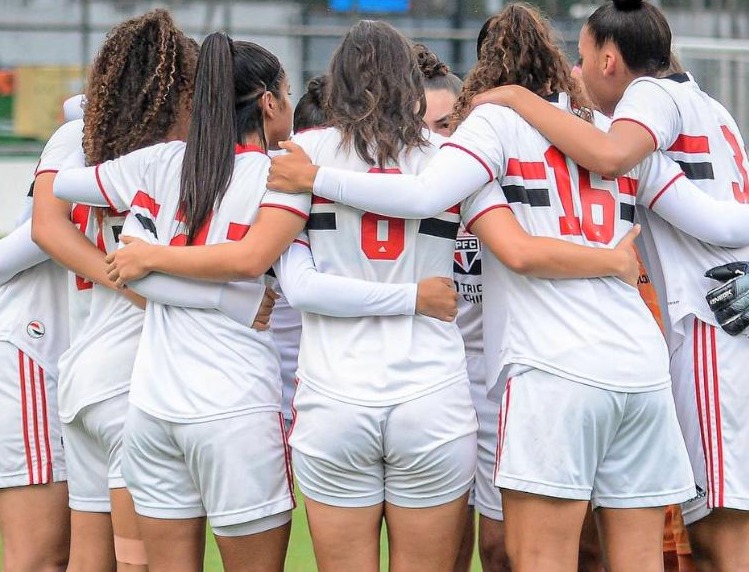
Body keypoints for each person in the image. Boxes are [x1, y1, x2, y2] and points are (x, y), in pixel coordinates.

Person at [264, 5, 749, 570]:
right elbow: (715, 220)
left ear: (485, 77)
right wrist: (610, 260)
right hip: (640, 371)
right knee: (637, 557)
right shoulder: (613, 138)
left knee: (537, 558)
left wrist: (316, 179)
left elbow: (450, 212)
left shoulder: (486, 132)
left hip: (549, 370)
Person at [470, 1, 749, 569]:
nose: (575, 73)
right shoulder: (714, 107)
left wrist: (518, 98)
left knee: (722, 542)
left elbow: (608, 153)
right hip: (695, 333)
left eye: (581, 57)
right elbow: (718, 219)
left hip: (703, 325)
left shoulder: (649, 97)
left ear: (610, 57)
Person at [414, 41, 508, 572]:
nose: (436, 142)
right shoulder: (402, 199)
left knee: (502, 551)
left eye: (446, 125)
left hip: (498, 387)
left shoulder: (492, 184)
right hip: (435, 388)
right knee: (443, 554)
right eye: (423, 129)